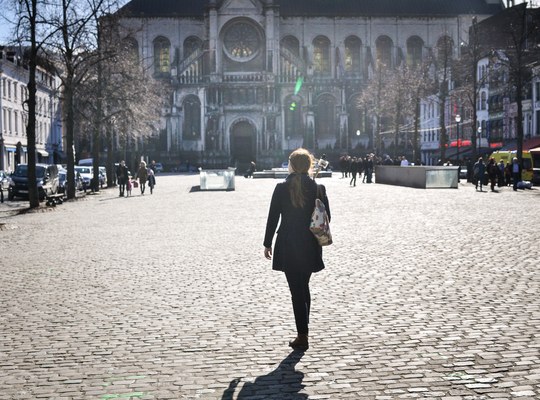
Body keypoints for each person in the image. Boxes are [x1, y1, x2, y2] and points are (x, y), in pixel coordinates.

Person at [263, 148, 331, 351]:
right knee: (303, 287)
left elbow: (273, 217)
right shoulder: (319, 188)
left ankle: (303, 335)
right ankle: (304, 331)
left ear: (291, 165)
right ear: (310, 165)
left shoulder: (281, 188)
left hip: (288, 244)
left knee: (297, 291)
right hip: (310, 244)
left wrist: (267, 243)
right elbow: (326, 218)